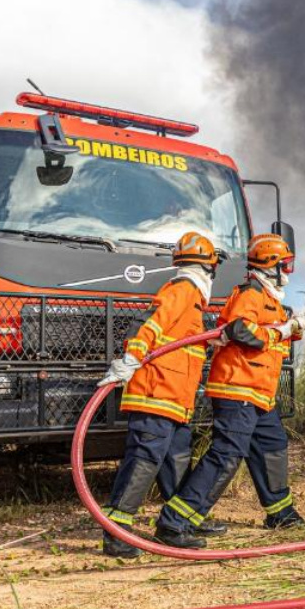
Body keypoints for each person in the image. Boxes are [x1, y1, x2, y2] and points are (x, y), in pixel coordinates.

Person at [154, 233, 305, 548]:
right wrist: (282, 331)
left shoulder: (271, 300)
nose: (288, 271)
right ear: (269, 265)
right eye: (285, 265)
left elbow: (270, 334)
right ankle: (175, 522)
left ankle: (280, 513)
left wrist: (291, 328)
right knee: (226, 455)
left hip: (259, 394)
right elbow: (240, 329)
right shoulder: (251, 293)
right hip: (237, 389)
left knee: (272, 445)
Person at [97, 232, 228, 557]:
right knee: (144, 461)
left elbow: (180, 340)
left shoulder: (192, 301)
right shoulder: (183, 290)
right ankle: (116, 532)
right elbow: (152, 326)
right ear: (209, 267)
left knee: (176, 461)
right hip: (156, 396)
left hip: (174, 402)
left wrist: (213, 339)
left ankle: (176, 525)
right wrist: (130, 360)